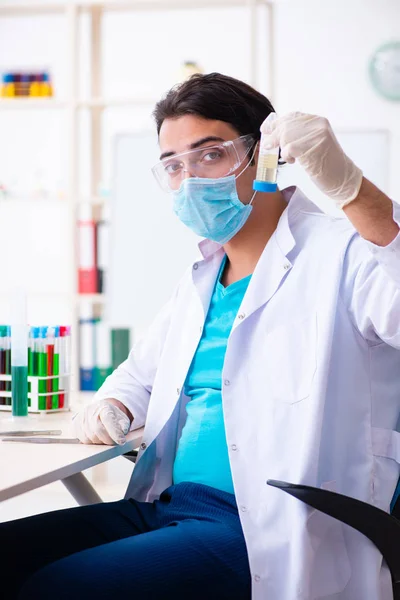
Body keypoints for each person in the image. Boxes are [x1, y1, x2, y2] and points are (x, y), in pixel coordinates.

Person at [2, 73, 400, 600]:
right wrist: (116, 404)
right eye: (173, 165)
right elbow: (139, 375)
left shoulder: (344, 254)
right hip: (172, 506)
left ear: (264, 157)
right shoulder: (201, 277)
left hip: (266, 529)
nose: (189, 180)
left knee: (58, 589)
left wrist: (351, 188)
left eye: (209, 155)